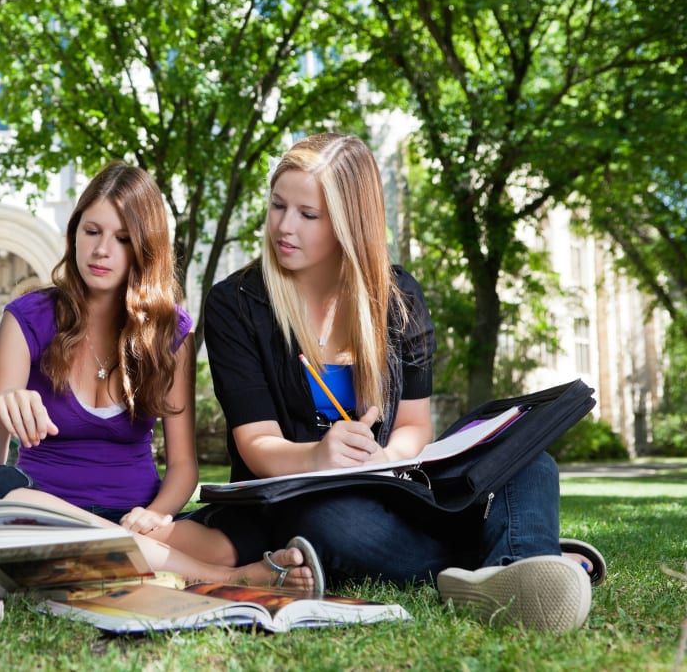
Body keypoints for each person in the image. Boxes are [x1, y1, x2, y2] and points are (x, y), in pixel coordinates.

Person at [195, 132, 602, 631]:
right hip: (305, 501)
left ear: (350, 223)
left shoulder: (398, 297)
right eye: (278, 206)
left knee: (532, 463)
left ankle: (509, 570)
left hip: (398, 491)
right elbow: (257, 444)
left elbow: (413, 425)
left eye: (308, 214)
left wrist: (386, 458)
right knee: (328, 524)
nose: (284, 226)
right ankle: (519, 559)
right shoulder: (236, 303)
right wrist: (319, 455)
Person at [0, 162, 322, 592]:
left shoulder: (170, 333)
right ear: (74, 233)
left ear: (144, 248)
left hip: (137, 519)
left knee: (236, 535)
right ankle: (221, 577)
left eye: (123, 239)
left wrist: (157, 513)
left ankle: (107, 557)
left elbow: (183, 466)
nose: (101, 250)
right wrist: (4, 410)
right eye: (92, 231)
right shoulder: (27, 318)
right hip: (45, 516)